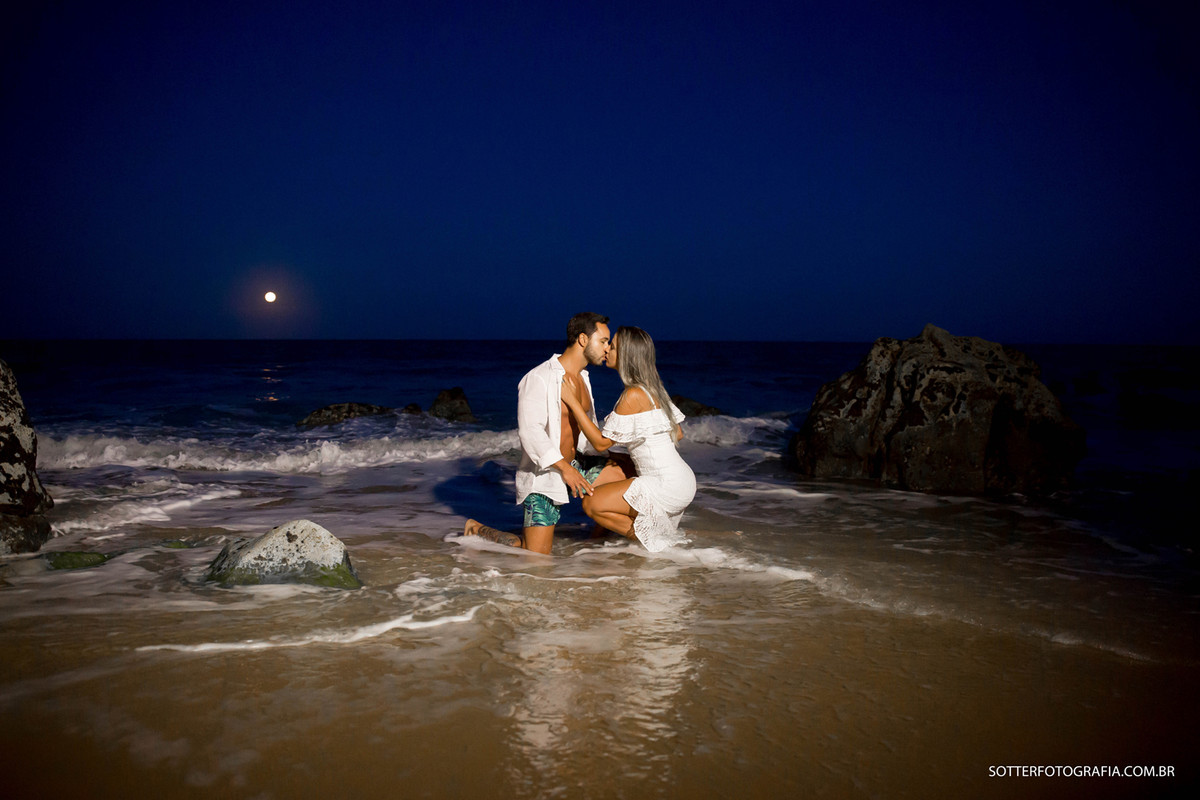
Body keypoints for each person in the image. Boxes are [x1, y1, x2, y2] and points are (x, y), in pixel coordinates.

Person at [464, 312, 632, 554]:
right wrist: (566, 469)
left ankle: (595, 540)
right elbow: (530, 433)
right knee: (536, 559)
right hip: (547, 474)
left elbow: (585, 432)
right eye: (603, 341)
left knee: (630, 473)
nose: (608, 348)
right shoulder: (539, 378)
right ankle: (477, 529)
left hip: (578, 463)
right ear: (583, 339)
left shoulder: (584, 378)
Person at [559, 326, 695, 552]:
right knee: (615, 479)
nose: (606, 349)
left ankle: (656, 542)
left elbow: (601, 443)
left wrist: (572, 402)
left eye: (612, 346)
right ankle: (616, 540)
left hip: (666, 485)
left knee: (592, 504)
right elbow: (677, 433)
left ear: (626, 355)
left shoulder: (632, 394)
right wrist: (638, 448)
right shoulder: (653, 388)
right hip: (684, 480)